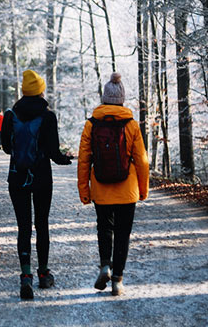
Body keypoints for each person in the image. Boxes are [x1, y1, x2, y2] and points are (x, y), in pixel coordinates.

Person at [2, 70, 74, 300]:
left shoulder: (10, 115)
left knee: (24, 227)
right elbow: (53, 152)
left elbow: (5, 147)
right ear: (41, 90)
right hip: (42, 177)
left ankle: (25, 277)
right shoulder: (48, 116)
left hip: (17, 177)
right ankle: (43, 274)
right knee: (41, 224)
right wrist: (65, 158)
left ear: (24, 90)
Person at [77, 73, 149, 296]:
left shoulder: (92, 124)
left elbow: (83, 159)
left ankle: (105, 266)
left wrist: (84, 191)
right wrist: (143, 190)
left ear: (104, 98)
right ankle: (117, 279)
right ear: (122, 99)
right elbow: (142, 161)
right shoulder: (131, 125)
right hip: (127, 190)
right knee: (122, 233)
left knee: (104, 229)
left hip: (101, 187)